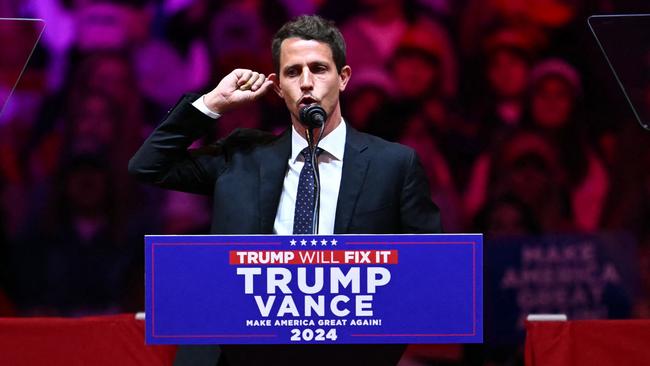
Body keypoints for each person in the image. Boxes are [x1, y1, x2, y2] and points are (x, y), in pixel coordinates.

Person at [129, 15, 441, 366]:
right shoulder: (242, 155)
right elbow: (148, 165)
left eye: (319, 69)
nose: (306, 83)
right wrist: (212, 103)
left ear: (344, 78)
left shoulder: (394, 165)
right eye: (293, 72)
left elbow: (427, 273)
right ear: (277, 87)